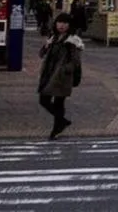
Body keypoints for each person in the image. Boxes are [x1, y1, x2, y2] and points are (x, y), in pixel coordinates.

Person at [38, 12, 83, 140]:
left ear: (69, 25)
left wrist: (65, 69)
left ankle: (56, 129)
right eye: (59, 22)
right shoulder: (53, 37)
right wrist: (46, 46)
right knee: (43, 100)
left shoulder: (72, 41)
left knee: (58, 103)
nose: (61, 25)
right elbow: (41, 54)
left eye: (65, 23)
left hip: (62, 76)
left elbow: (75, 61)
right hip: (49, 74)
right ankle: (61, 122)